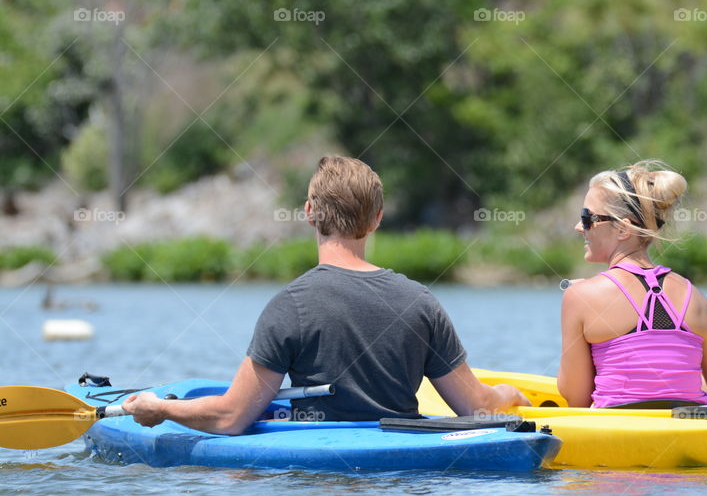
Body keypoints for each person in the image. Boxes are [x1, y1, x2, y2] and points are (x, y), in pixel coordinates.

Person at [123, 155, 528, 433]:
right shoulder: (420, 301)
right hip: (406, 479)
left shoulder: (290, 306)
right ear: (377, 219)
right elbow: (476, 409)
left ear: (309, 212)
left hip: (316, 481)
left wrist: (160, 409)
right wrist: (510, 395)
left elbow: (231, 417)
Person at [557, 160, 707, 408]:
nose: (579, 227)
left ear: (623, 229)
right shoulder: (695, 297)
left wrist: (580, 294)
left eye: (588, 217)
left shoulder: (579, 296)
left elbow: (575, 397)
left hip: (618, 436)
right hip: (686, 431)